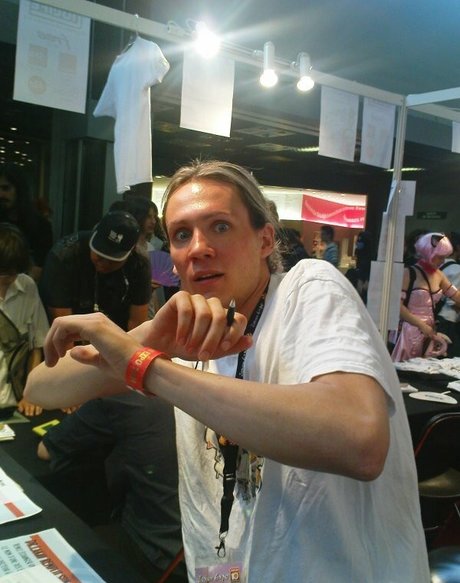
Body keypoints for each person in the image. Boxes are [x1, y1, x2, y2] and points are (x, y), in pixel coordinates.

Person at [26, 160, 429, 582]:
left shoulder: (307, 288)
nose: (198, 248)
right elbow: (44, 388)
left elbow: (359, 439)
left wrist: (147, 367)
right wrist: (147, 338)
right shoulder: (193, 328)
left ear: (265, 239)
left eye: (220, 226)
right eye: (182, 234)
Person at [37, 391, 183, 579]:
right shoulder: (206, 394)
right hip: (209, 557)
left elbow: (46, 449)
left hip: (158, 553)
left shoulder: (121, 394)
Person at [40, 210, 151, 331]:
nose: (103, 264)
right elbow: (63, 325)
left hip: (117, 330)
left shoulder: (139, 263)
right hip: (72, 326)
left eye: (113, 260)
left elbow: (136, 324)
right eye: (100, 255)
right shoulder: (64, 256)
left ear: (131, 251)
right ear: (94, 233)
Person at [0, 223, 49, 416]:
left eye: (11, 274)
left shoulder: (27, 286)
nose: (5, 280)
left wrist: (31, 393)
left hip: (16, 399)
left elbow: (37, 344)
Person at [391, 232, 460, 362]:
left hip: (429, 332)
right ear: (429, 253)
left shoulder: (439, 275)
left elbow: (456, 296)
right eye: (439, 257)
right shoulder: (409, 273)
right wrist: (421, 325)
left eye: (444, 257)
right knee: (405, 368)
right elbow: (397, 306)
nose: (442, 261)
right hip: (408, 331)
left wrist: (426, 328)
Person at [0, 164, 53, 281]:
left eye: (6, 188)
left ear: (19, 190)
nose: (1, 194)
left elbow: (39, 271)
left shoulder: (40, 225)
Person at [436, 231, 460, 357]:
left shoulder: (436, 266)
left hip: (431, 319)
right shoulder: (457, 270)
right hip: (447, 321)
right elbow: (455, 302)